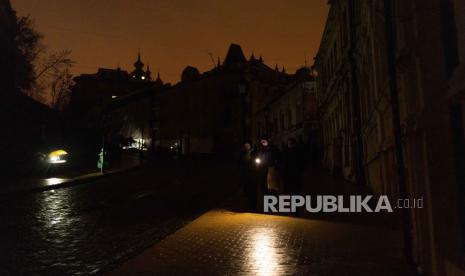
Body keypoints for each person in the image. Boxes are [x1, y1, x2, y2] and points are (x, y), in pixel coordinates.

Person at [239, 140, 257, 209]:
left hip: (253, 173)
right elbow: (239, 162)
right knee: (247, 190)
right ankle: (248, 205)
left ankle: (253, 205)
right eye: (245, 146)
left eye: (248, 145)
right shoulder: (243, 153)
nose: (246, 147)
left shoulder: (254, 152)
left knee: (253, 190)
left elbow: (256, 162)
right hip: (245, 173)